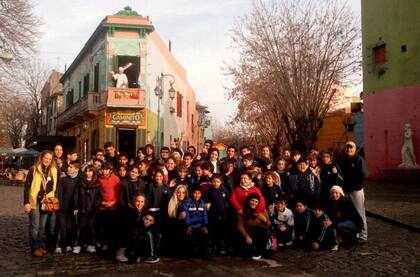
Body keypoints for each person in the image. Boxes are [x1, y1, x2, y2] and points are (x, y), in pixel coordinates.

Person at [23, 150, 58, 257]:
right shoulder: (34, 169)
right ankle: (34, 248)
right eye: (46, 158)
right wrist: (26, 202)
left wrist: (48, 197)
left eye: (50, 159)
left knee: (42, 226)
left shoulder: (53, 170)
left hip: (46, 202)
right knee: (35, 226)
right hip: (34, 202)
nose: (47, 160)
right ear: (42, 157)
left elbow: (53, 186)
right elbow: (27, 187)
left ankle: (40, 246)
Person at [338, 141, 368, 242]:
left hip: (356, 190)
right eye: (347, 148)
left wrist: (359, 186)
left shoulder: (359, 159)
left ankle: (363, 234)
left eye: (351, 148)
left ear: (355, 149)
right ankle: (356, 233)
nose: (349, 150)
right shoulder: (345, 160)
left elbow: (364, 174)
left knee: (360, 212)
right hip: (347, 190)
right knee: (351, 213)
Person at [116, 165, 146, 262]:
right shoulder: (124, 183)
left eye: (136, 172)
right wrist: (126, 207)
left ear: (139, 174)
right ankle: (121, 252)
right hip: (127, 209)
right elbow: (121, 198)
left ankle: (135, 252)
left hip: (138, 207)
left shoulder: (141, 183)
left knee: (137, 230)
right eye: (132, 171)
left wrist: (141, 207)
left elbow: (142, 196)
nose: (133, 173)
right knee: (126, 230)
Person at [73, 165, 102, 254]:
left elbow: (100, 197)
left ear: (93, 172)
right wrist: (76, 207)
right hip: (82, 209)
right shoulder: (81, 183)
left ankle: (90, 244)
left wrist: (96, 205)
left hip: (92, 209)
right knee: (81, 227)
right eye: (87, 171)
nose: (88, 173)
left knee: (91, 227)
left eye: (90, 171)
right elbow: (76, 195)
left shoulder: (97, 184)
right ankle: (79, 245)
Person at [55, 161, 81, 254]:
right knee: (62, 227)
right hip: (62, 208)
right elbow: (59, 193)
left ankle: (69, 244)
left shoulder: (80, 180)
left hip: (73, 208)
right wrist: (58, 206)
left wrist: (77, 206)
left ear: (77, 169)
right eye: (68, 167)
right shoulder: (63, 180)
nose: (68, 168)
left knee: (71, 227)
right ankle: (59, 245)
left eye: (71, 167)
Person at [127, 195, 160, 263]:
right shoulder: (130, 212)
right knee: (145, 235)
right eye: (137, 201)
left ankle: (153, 253)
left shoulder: (145, 212)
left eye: (142, 202)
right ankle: (144, 255)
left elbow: (149, 223)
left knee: (155, 234)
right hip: (132, 238)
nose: (139, 204)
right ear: (134, 202)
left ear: (144, 203)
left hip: (141, 235)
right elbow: (132, 232)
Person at [237, 193, 271, 260]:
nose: (254, 203)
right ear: (249, 201)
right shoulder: (242, 211)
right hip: (248, 233)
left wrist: (264, 220)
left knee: (260, 229)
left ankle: (260, 251)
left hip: (260, 234)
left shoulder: (262, 210)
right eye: (252, 200)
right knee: (246, 252)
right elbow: (240, 226)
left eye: (256, 201)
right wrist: (246, 236)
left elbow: (269, 224)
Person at [204, 174, 231, 255]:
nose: (216, 183)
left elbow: (227, 200)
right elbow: (205, 201)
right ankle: (213, 247)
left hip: (223, 215)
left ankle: (221, 247)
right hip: (213, 215)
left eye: (217, 182)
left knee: (221, 231)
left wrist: (226, 206)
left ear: (221, 182)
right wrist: (207, 204)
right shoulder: (209, 191)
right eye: (214, 182)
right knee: (213, 232)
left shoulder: (224, 190)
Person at [97, 162, 121, 252]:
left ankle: (110, 243)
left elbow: (119, 192)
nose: (105, 171)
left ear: (110, 170)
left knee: (111, 226)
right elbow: (97, 193)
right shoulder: (99, 179)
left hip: (113, 206)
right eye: (103, 169)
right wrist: (102, 202)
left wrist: (113, 202)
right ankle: (103, 242)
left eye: (107, 169)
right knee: (103, 225)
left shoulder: (116, 179)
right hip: (102, 206)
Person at [182, 187, 210, 260]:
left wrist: (205, 225)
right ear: (192, 194)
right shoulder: (187, 202)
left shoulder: (203, 202)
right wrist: (188, 226)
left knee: (205, 237)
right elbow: (187, 215)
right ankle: (191, 255)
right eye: (195, 193)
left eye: (199, 193)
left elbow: (205, 215)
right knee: (192, 239)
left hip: (201, 225)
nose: (197, 195)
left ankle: (206, 255)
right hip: (191, 226)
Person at [167, 185, 189, 255]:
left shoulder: (189, 202)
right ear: (176, 193)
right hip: (175, 230)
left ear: (186, 194)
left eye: (183, 192)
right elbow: (169, 222)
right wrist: (178, 219)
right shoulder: (171, 203)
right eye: (179, 192)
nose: (181, 194)